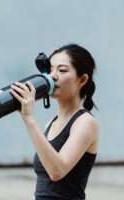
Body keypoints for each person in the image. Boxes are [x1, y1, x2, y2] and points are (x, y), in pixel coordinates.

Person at [10, 43, 99, 200]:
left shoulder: (85, 122)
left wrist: (29, 119)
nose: (53, 76)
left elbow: (57, 171)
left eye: (62, 70)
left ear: (82, 79)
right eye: (50, 70)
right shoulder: (51, 123)